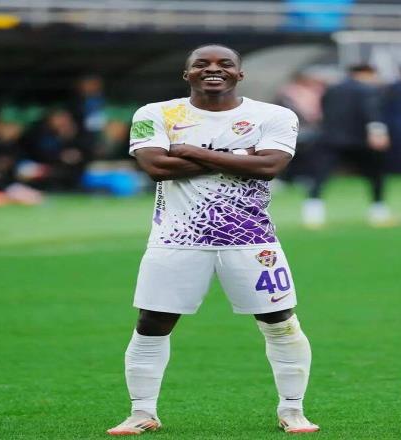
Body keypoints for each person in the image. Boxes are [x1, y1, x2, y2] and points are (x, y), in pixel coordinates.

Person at [107, 44, 319, 435]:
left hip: (252, 239)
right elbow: (156, 166)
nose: (213, 69)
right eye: (201, 64)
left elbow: (268, 166)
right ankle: (142, 412)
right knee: (152, 322)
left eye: (225, 64)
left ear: (240, 74)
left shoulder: (274, 115)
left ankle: (292, 410)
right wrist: (241, 156)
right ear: (186, 74)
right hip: (176, 238)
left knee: (280, 322)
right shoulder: (155, 113)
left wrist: (188, 151)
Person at [302, 64, 393, 228]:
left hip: (330, 138)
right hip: (360, 140)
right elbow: (372, 112)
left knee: (319, 176)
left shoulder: (332, 89)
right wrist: (378, 133)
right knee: (375, 175)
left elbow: (323, 111)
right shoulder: (367, 90)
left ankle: (313, 214)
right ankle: (379, 211)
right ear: (365, 73)